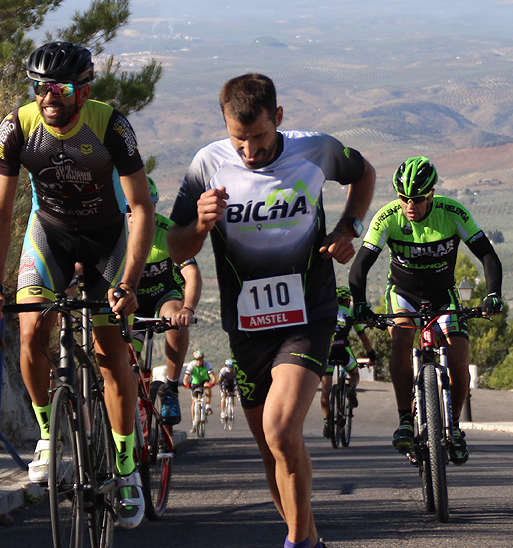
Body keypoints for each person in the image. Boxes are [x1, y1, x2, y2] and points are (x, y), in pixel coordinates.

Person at [167, 73, 376, 548]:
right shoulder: (208, 164)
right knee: (269, 447)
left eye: (258, 137)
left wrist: (349, 225)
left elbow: (363, 173)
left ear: (278, 119)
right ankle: (309, 539)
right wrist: (199, 226)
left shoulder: (315, 151)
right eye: (237, 138)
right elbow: (176, 247)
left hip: (308, 315)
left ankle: (297, 545)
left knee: (282, 431)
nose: (248, 151)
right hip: (246, 327)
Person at [0, 41, 153, 529]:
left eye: (60, 87)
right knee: (31, 332)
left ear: (84, 91)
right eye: (40, 87)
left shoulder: (110, 124)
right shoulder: (17, 126)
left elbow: (141, 208)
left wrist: (130, 283)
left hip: (106, 241)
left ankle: (125, 468)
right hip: (50, 234)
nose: (49, 96)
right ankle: (47, 435)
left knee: (110, 352)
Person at [348, 156, 504, 466]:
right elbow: (360, 266)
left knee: (460, 360)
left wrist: (494, 294)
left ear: (431, 194)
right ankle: (405, 419)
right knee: (402, 339)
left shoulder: (453, 212)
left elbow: (487, 255)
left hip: (442, 296)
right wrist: (361, 304)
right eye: (403, 197)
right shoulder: (388, 217)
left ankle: (455, 426)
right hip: (403, 294)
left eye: (417, 199)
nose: (409, 205)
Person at [129, 177, 202, 426]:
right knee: (125, 358)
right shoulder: (115, 235)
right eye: (127, 208)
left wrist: (188, 309)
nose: (133, 214)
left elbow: (191, 274)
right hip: (132, 303)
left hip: (164, 296)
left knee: (175, 319)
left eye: (141, 207)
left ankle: (170, 388)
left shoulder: (167, 231)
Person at [320, 286, 377, 439]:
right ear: (347, 301)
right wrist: (371, 355)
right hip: (343, 350)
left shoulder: (326, 311)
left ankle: (327, 424)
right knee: (354, 374)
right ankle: (351, 388)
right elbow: (363, 337)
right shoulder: (350, 314)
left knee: (325, 391)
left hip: (328, 352)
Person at [182, 350, 216, 423]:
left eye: (200, 359)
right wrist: (187, 384)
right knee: (194, 400)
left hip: (204, 381)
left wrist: (212, 383)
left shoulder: (206, 365)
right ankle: (194, 421)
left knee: (207, 387)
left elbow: (213, 377)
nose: (199, 361)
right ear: (194, 360)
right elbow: (185, 378)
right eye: (197, 360)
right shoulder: (191, 365)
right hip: (195, 383)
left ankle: (208, 406)